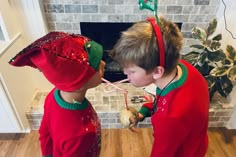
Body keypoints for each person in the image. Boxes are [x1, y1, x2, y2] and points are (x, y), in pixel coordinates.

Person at [111, 16, 210, 157]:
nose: (125, 73)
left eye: (132, 71)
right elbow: (167, 101)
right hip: (195, 144)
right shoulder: (185, 69)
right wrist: (143, 112)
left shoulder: (169, 118)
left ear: (157, 71)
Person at [9, 32, 105, 157]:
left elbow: (44, 132)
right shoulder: (80, 134)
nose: (103, 63)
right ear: (78, 83)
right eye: (97, 66)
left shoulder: (53, 97)